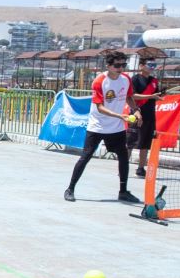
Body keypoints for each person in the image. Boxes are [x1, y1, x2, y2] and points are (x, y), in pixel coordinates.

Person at [64, 51, 137, 204]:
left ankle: (123, 191)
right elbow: (100, 107)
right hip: (97, 126)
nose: (121, 68)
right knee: (86, 157)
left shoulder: (126, 79)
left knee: (123, 157)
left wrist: (136, 110)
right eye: (117, 65)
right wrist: (120, 116)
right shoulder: (100, 81)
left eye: (123, 65)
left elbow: (129, 97)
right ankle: (70, 189)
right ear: (109, 66)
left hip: (116, 128)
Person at [127, 59, 164, 178]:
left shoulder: (154, 81)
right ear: (141, 66)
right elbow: (132, 96)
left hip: (150, 115)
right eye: (150, 65)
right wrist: (150, 96)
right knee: (131, 142)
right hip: (137, 114)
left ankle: (141, 168)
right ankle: (124, 166)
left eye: (154, 65)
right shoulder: (135, 79)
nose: (152, 67)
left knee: (145, 143)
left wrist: (159, 96)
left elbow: (155, 96)